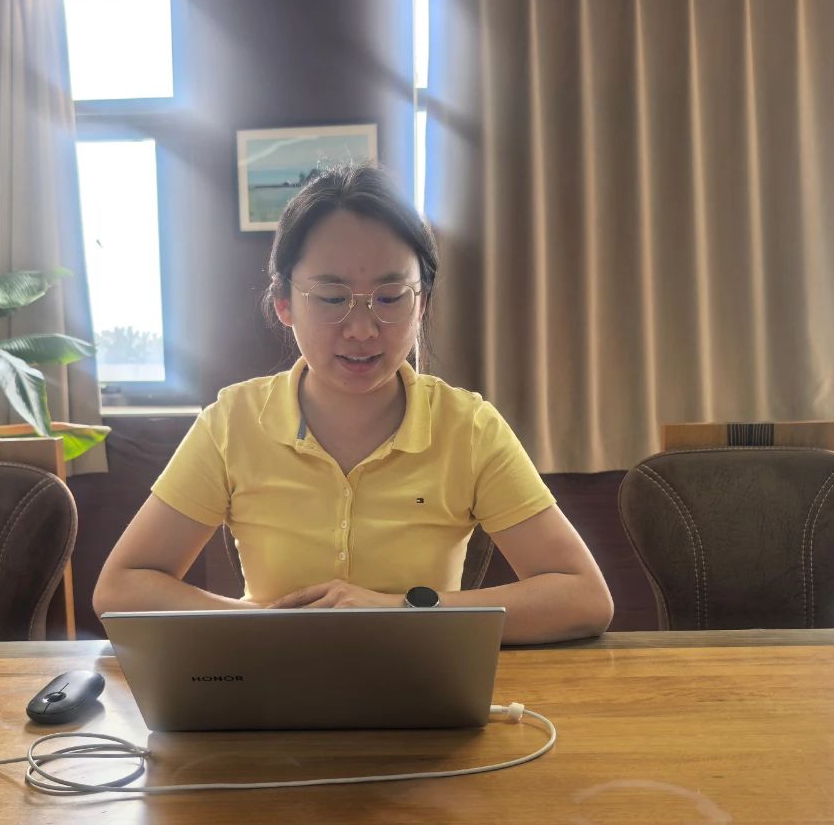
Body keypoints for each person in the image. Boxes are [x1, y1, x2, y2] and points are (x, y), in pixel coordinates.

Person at [94, 164, 612, 644]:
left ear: (423, 304)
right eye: (331, 298)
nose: (362, 330)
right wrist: (264, 626)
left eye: (390, 297)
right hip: (272, 683)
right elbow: (121, 588)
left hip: (422, 685)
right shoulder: (233, 422)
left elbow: (583, 596)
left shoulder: (469, 428)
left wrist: (399, 611)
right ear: (284, 302)